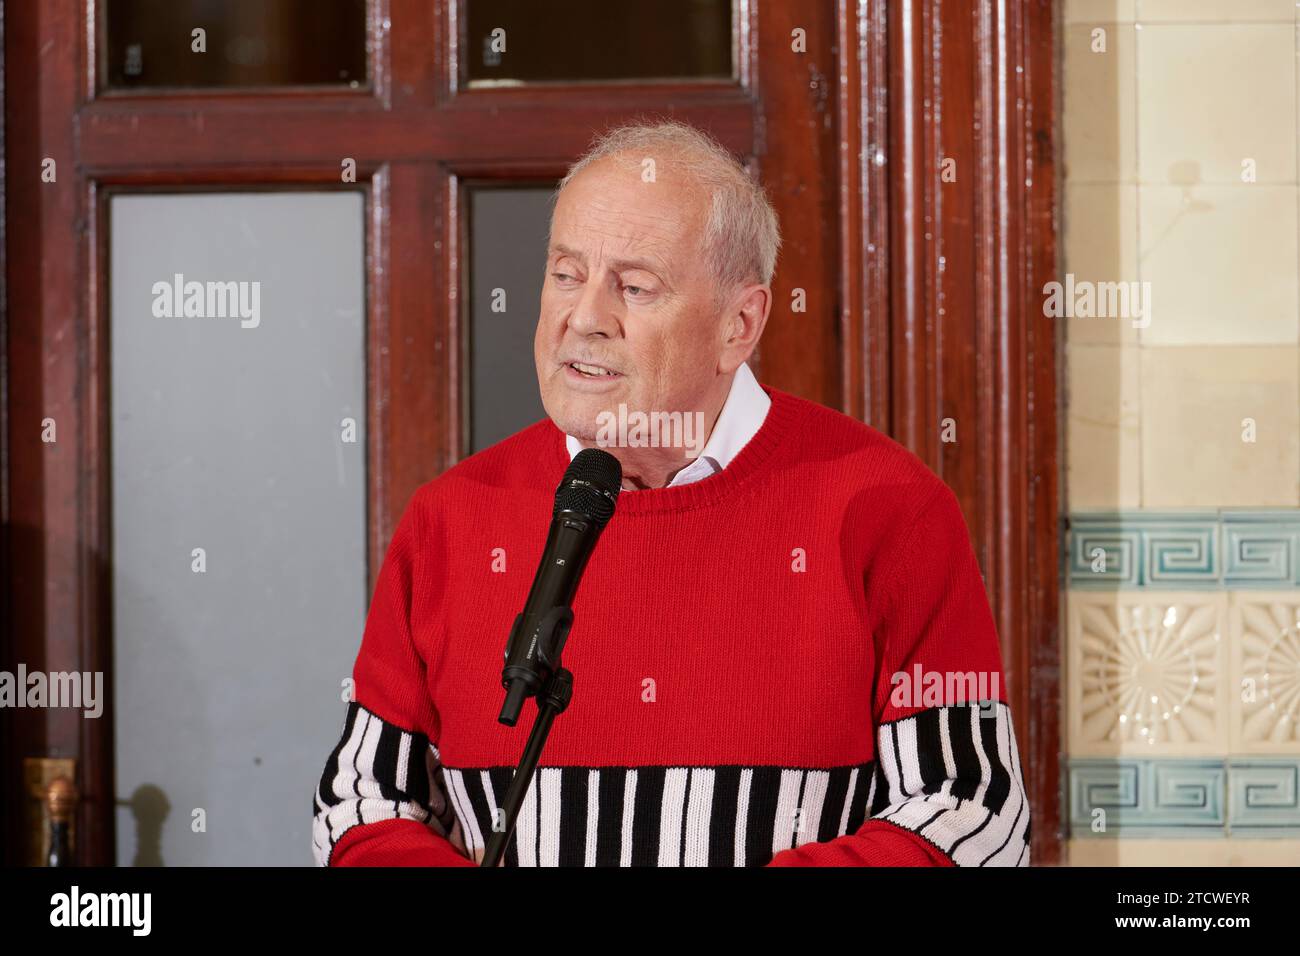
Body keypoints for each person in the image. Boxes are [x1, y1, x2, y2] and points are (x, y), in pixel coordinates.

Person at [312, 120, 1029, 867]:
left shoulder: (887, 509)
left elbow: (970, 813)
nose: (583, 319)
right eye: (565, 274)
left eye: (634, 286)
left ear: (738, 324)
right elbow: (360, 805)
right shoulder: (452, 520)